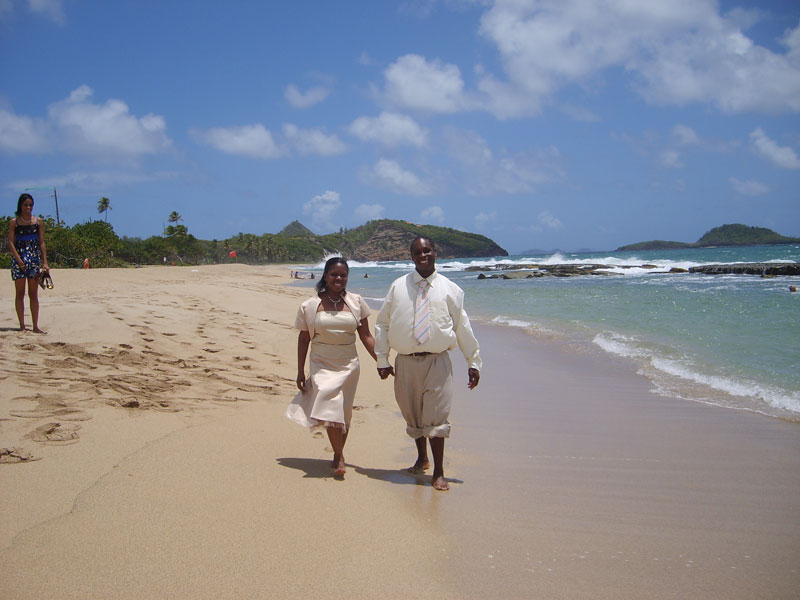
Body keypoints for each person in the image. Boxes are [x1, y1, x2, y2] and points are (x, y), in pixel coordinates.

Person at [375, 237, 481, 491]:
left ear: (436, 252)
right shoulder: (398, 286)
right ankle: (421, 458)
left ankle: (439, 471)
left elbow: (462, 327)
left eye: (427, 250)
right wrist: (382, 358)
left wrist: (473, 362)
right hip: (406, 362)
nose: (423, 255)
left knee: (436, 417)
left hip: (438, 361)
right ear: (411, 256)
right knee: (414, 414)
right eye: (417, 252)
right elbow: (383, 324)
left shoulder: (451, 289)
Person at [286, 256, 377, 476]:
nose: (338, 278)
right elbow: (303, 339)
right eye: (334, 274)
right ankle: (340, 456)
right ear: (325, 276)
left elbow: (366, 336)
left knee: (343, 413)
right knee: (330, 405)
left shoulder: (356, 302)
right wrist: (300, 370)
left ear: (347, 277)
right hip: (321, 363)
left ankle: (337, 453)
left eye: (343, 275)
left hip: (348, 363)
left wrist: (382, 361)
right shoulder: (309, 306)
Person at [8, 193, 49, 333]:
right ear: (20, 206)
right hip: (19, 260)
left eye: (30, 205)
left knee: (33, 294)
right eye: (26, 205)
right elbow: (10, 243)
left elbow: (41, 242)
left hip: (34, 260)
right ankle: (22, 326)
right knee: (20, 293)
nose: (28, 207)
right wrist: (19, 260)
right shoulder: (15, 222)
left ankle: (35, 326)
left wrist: (45, 262)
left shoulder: (38, 222)